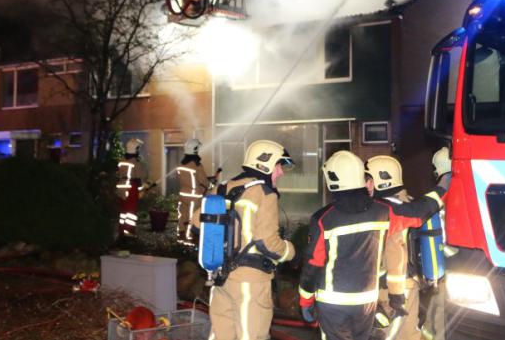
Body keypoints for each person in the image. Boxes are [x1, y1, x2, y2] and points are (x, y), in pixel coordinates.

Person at [299, 151, 442, 340]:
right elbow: (421, 210)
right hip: (366, 303)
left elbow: (313, 265)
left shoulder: (323, 218)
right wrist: (445, 184)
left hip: (333, 304)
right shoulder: (384, 210)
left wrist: (305, 300)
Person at [208, 139, 296, 340]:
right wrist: (291, 251)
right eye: (278, 166)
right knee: (252, 336)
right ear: (265, 164)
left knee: (221, 335)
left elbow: (197, 221)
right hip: (250, 282)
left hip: (220, 278)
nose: (281, 172)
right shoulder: (265, 193)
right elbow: (267, 243)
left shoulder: (222, 188)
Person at [366, 155, 418, 340]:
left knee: (384, 335)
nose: (366, 186)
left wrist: (395, 296)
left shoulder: (388, 211)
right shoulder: (409, 204)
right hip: (411, 283)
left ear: (382, 181)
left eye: (369, 180)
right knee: (409, 334)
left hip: (392, 287)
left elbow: (395, 252)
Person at [418, 147, 453, 340]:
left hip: (440, 266)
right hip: (462, 263)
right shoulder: (466, 189)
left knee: (436, 316)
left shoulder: (435, 196)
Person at [175, 138, 211, 244]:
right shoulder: (197, 165)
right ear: (195, 149)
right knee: (192, 217)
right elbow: (203, 180)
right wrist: (210, 184)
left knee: (182, 215)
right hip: (194, 196)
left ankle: (180, 234)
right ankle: (189, 237)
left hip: (183, 194)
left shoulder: (181, 165)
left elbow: (189, 178)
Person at [116, 138, 148, 237]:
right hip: (131, 188)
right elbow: (138, 179)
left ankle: (122, 230)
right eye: (139, 148)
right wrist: (142, 190)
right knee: (131, 211)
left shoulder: (121, 160)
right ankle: (129, 231)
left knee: (123, 211)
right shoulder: (136, 162)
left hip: (121, 187)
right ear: (136, 149)